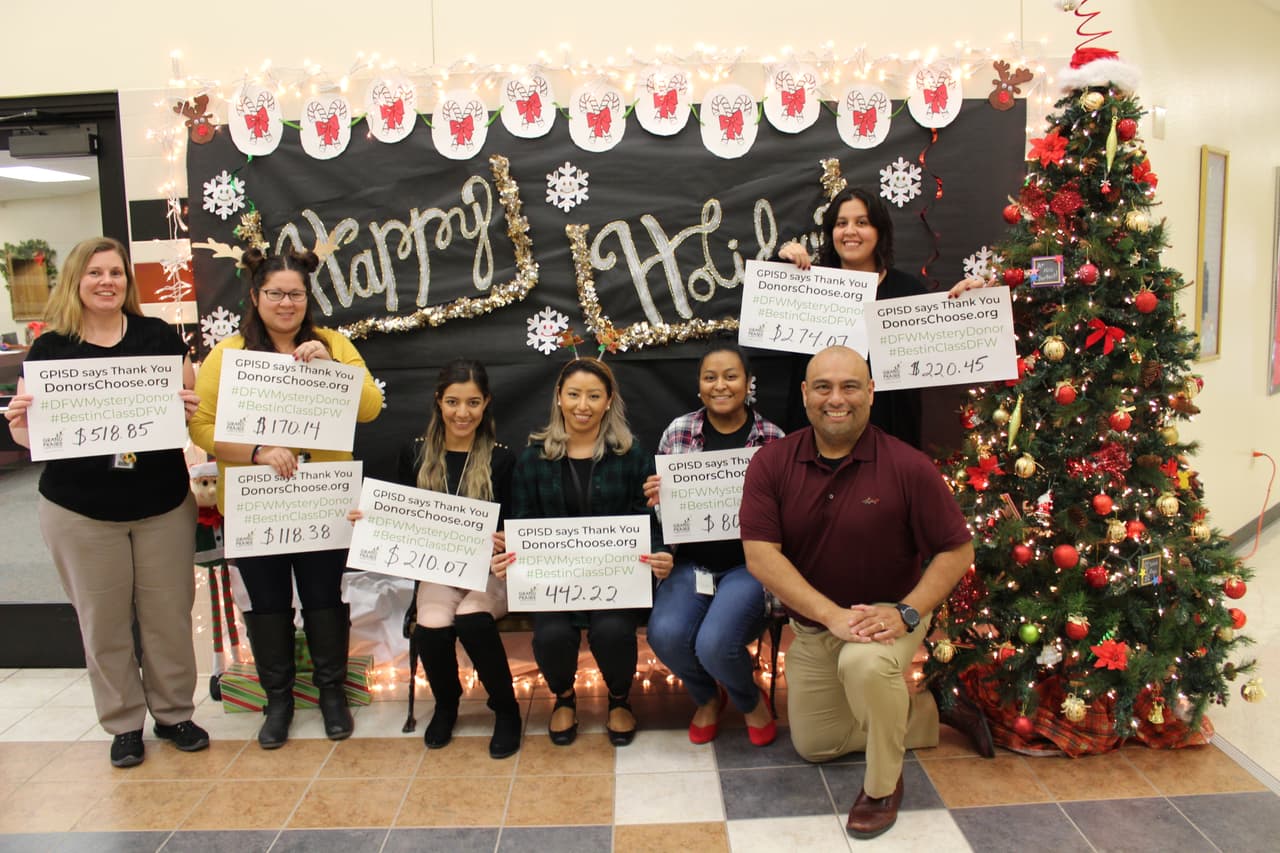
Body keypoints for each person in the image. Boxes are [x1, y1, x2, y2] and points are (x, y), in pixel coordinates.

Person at [740, 346, 985, 840]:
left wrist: (910, 611)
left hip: (889, 618)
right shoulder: (771, 463)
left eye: (850, 386)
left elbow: (958, 550)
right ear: (805, 394)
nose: (837, 399)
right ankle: (926, 708)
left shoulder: (908, 465)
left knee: (863, 665)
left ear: (871, 393)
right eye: (824, 387)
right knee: (815, 745)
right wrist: (830, 616)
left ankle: (882, 786)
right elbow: (761, 557)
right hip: (816, 625)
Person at [4, 236, 208, 768]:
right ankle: (123, 724)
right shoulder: (51, 350)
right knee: (103, 622)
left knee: (168, 616)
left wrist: (188, 405)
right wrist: (22, 425)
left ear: (127, 282)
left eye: (115, 273)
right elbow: (33, 442)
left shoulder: (159, 338)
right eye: (95, 273)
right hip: (79, 510)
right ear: (76, 280)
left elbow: (187, 414)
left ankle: (174, 714)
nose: (106, 282)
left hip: (161, 503)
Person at [189, 247, 382, 748]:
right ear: (255, 297)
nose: (286, 302)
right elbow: (202, 425)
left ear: (307, 298)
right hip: (256, 503)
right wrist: (255, 451)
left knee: (324, 597)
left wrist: (332, 370)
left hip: (320, 499)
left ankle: (331, 694)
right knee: (268, 601)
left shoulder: (333, 345)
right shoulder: (228, 354)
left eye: (295, 293)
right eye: (275, 293)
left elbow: (371, 408)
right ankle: (278, 700)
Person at [348, 359, 521, 758]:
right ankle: (447, 703)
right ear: (439, 402)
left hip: (488, 575)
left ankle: (506, 709)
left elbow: (517, 523)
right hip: (438, 573)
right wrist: (371, 521)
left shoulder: (501, 459)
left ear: (487, 403)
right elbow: (399, 517)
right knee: (431, 625)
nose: (463, 413)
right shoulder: (415, 454)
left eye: (474, 402)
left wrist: (506, 535)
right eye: (454, 402)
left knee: (473, 620)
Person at [497, 357, 672, 747]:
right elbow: (521, 522)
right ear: (558, 397)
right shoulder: (533, 458)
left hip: (616, 580)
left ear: (609, 401)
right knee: (553, 634)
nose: (583, 405)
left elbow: (648, 520)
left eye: (594, 396)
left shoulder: (631, 456)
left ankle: (619, 699)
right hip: (554, 583)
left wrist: (661, 555)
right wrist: (511, 556)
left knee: (612, 631)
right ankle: (563, 697)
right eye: (574, 394)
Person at [642, 340, 784, 746]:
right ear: (699, 386)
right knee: (665, 634)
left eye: (730, 376)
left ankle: (747, 698)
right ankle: (707, 697)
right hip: (692, 564)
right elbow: (664, 515)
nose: (720, 385)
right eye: (710, 377)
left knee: (716, 643)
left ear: (748, 383)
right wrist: (658, 497)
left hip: (750, 566)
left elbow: (790, 513)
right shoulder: (679, 431)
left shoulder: (773, 438)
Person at [778, 187, 987, 447]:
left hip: (891, 439)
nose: (850, 231)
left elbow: (951, 349)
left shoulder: (908, 291)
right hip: (817, 441)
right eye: (841, 223)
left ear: (880, 231)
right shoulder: (809, 286)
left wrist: (971, 306)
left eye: (862, 223)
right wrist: (785, 263)